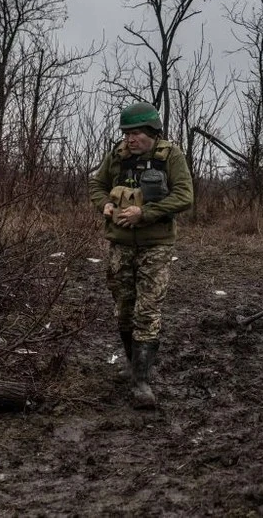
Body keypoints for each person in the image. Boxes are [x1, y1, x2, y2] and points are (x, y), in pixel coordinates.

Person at [89, 102, 194, 409]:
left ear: (152, 132)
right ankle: (132, 363)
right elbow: (97, 184)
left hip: (156, 246)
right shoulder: (117, 155)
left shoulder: (170, 156)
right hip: (120, 245)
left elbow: (184, 196)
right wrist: (104, 205)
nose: (129, 139)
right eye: (126, 133)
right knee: (123, 309)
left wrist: (144, 213)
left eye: (135, 133)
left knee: (147, 312)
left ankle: (141, 381)